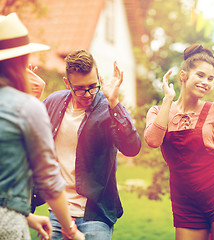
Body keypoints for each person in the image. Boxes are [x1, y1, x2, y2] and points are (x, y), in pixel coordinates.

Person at [31, 49, 141, 240]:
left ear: (98, 78)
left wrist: (114, 101)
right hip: (58, 212)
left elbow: (132, 147)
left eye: (93, 86)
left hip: (95, 214)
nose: (88, 93)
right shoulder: (53, 102)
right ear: (68, 83)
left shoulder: (108, 107)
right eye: (80, 88)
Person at [144, 44, 214, 240]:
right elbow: (153, 141)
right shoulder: (158, 112)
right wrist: (168, 99)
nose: (206, 82)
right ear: (183, 76)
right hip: (185, 203)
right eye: (200, 75)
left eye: (210, 78)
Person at [0, 12, 84, 240]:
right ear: (20, 61)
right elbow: (48, 178)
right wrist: (70, 229)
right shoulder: (26, 106)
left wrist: (28, 216)